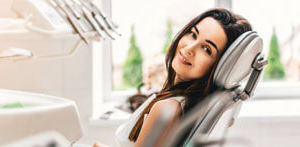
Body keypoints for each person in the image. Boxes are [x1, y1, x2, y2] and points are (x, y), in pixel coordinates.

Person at [93, 8, 252, 147]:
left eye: (206, 49)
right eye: (192, 34)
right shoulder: (185, 102)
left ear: (220, 66)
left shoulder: (167, 109)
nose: (189, 48)